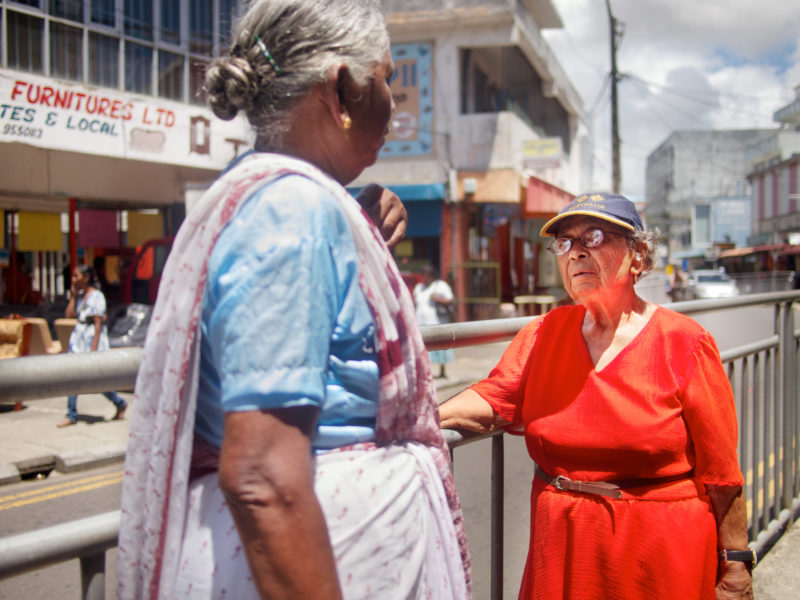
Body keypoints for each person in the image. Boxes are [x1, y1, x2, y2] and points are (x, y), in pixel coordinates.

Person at [117, 1, 469, 599]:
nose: (393, 100)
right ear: (340, 89)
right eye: (385, 78)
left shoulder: (297, 204)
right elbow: (261, 476)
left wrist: (351, 222)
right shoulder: (291, 211)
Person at [440, 192, 753, 600]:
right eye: (565, 243)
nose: (575, 253)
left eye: (593, 237)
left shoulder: (684, 341)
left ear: (637, 256)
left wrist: (735, 562)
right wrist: (419, 415)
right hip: (564, 546)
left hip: (656, 551)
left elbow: (721, 471)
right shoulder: (544, 332)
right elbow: (495, 398)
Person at [57, 264, 127, 427]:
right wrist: (73, 297)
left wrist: (93, 348)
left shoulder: (97, 297)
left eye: (76, 276)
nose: (73, 279)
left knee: (96, 379)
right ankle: (71, 414)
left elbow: (97, 324)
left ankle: (118, 402)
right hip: (78, 337)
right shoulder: (81, 296)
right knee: (72, 375)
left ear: (86, 277)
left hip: (89, 339)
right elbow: (70, 315)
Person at [413, 265, 455, 378]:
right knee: (423, 349)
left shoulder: (440, 286)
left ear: (432, 276)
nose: (424, 278)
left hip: (437, 322)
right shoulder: (419, 287)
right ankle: (425, 372)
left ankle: (442, 371)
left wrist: (438, 299)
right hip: (421, 322)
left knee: (441, 349)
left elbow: (450, 299)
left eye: (427, 275)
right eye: (423, 275)